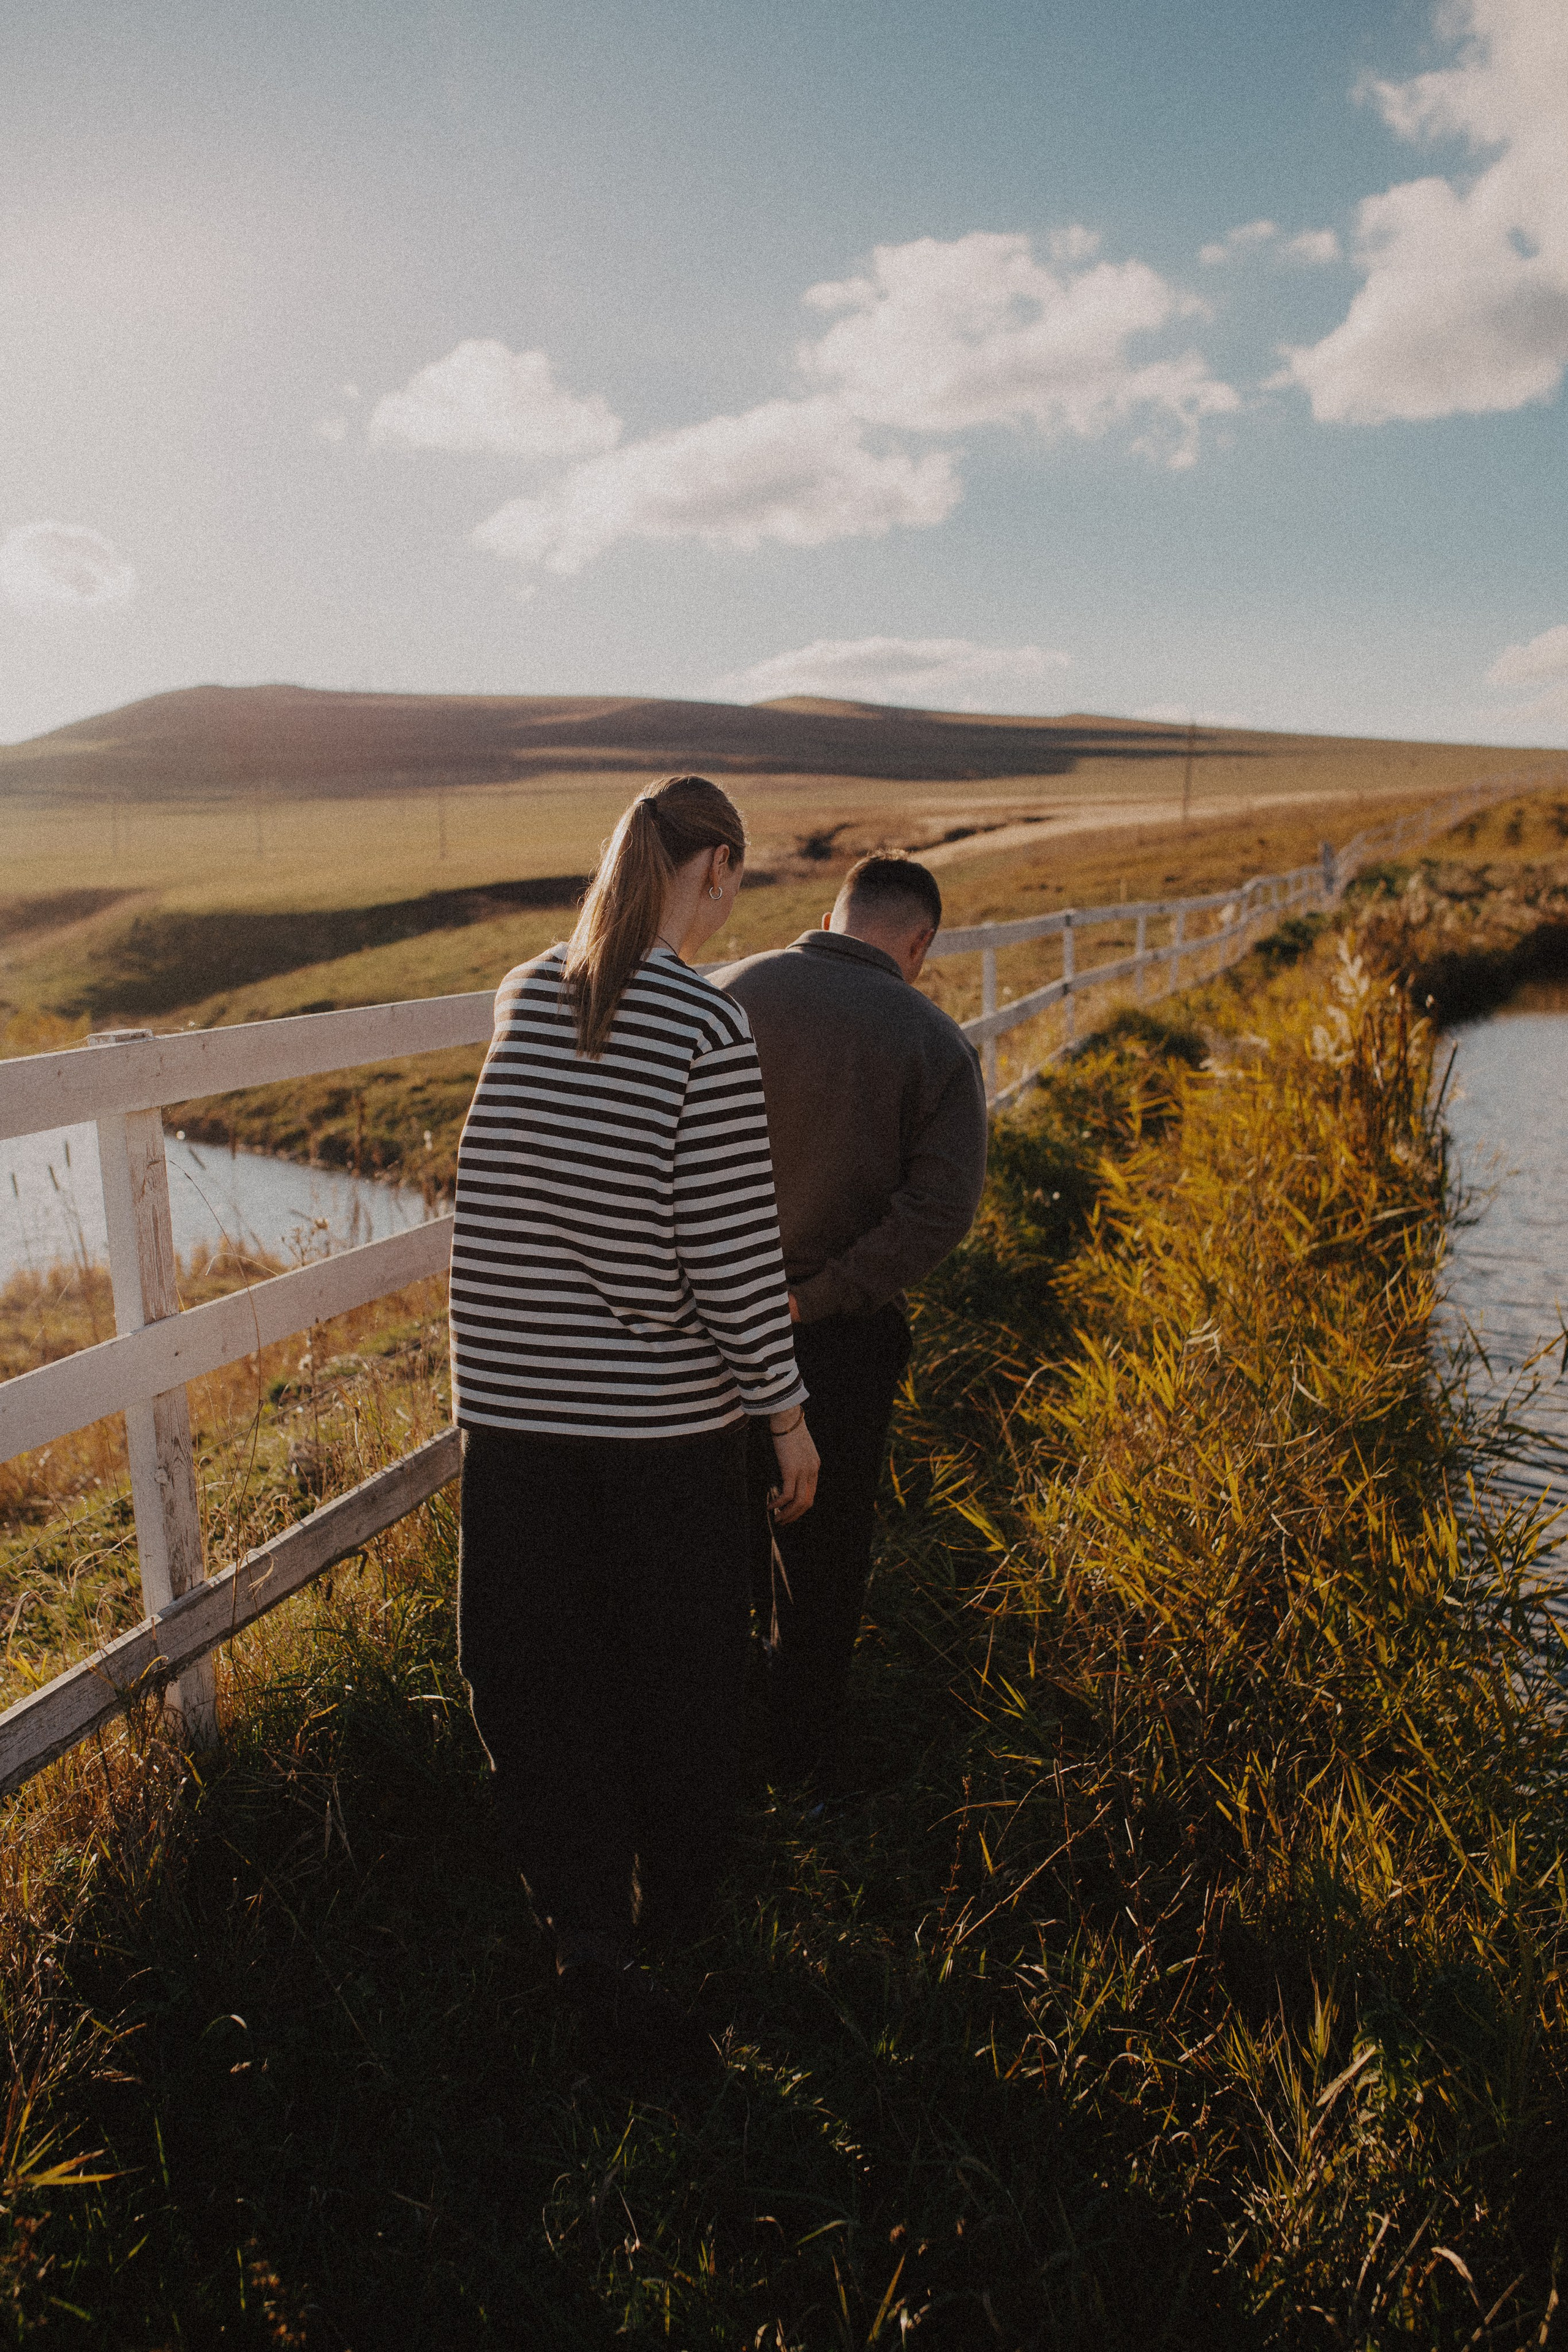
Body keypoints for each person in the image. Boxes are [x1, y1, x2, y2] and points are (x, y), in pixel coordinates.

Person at [449, 774, 818, 2057]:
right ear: (709, 867)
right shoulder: (701, 1030)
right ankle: (683, 1922)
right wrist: (785, 1416)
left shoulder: (523, 998)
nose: (730, 910)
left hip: (512, 1429)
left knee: (538, 1678)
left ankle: (582, 1935)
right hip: (658, 1436)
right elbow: (724, 1254)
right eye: (737, 883)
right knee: (676, 1676)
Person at [715, 854, 987, 1796]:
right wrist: (824, 1293)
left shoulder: (730, 995)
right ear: (920, 942)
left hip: (702, 1327)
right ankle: (802, 1767)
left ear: (831, 913)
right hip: (836, 1339)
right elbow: (940, 1210)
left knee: (715, 1535)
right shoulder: (935, 1042)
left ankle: (713, 1744)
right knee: (823, 1555)